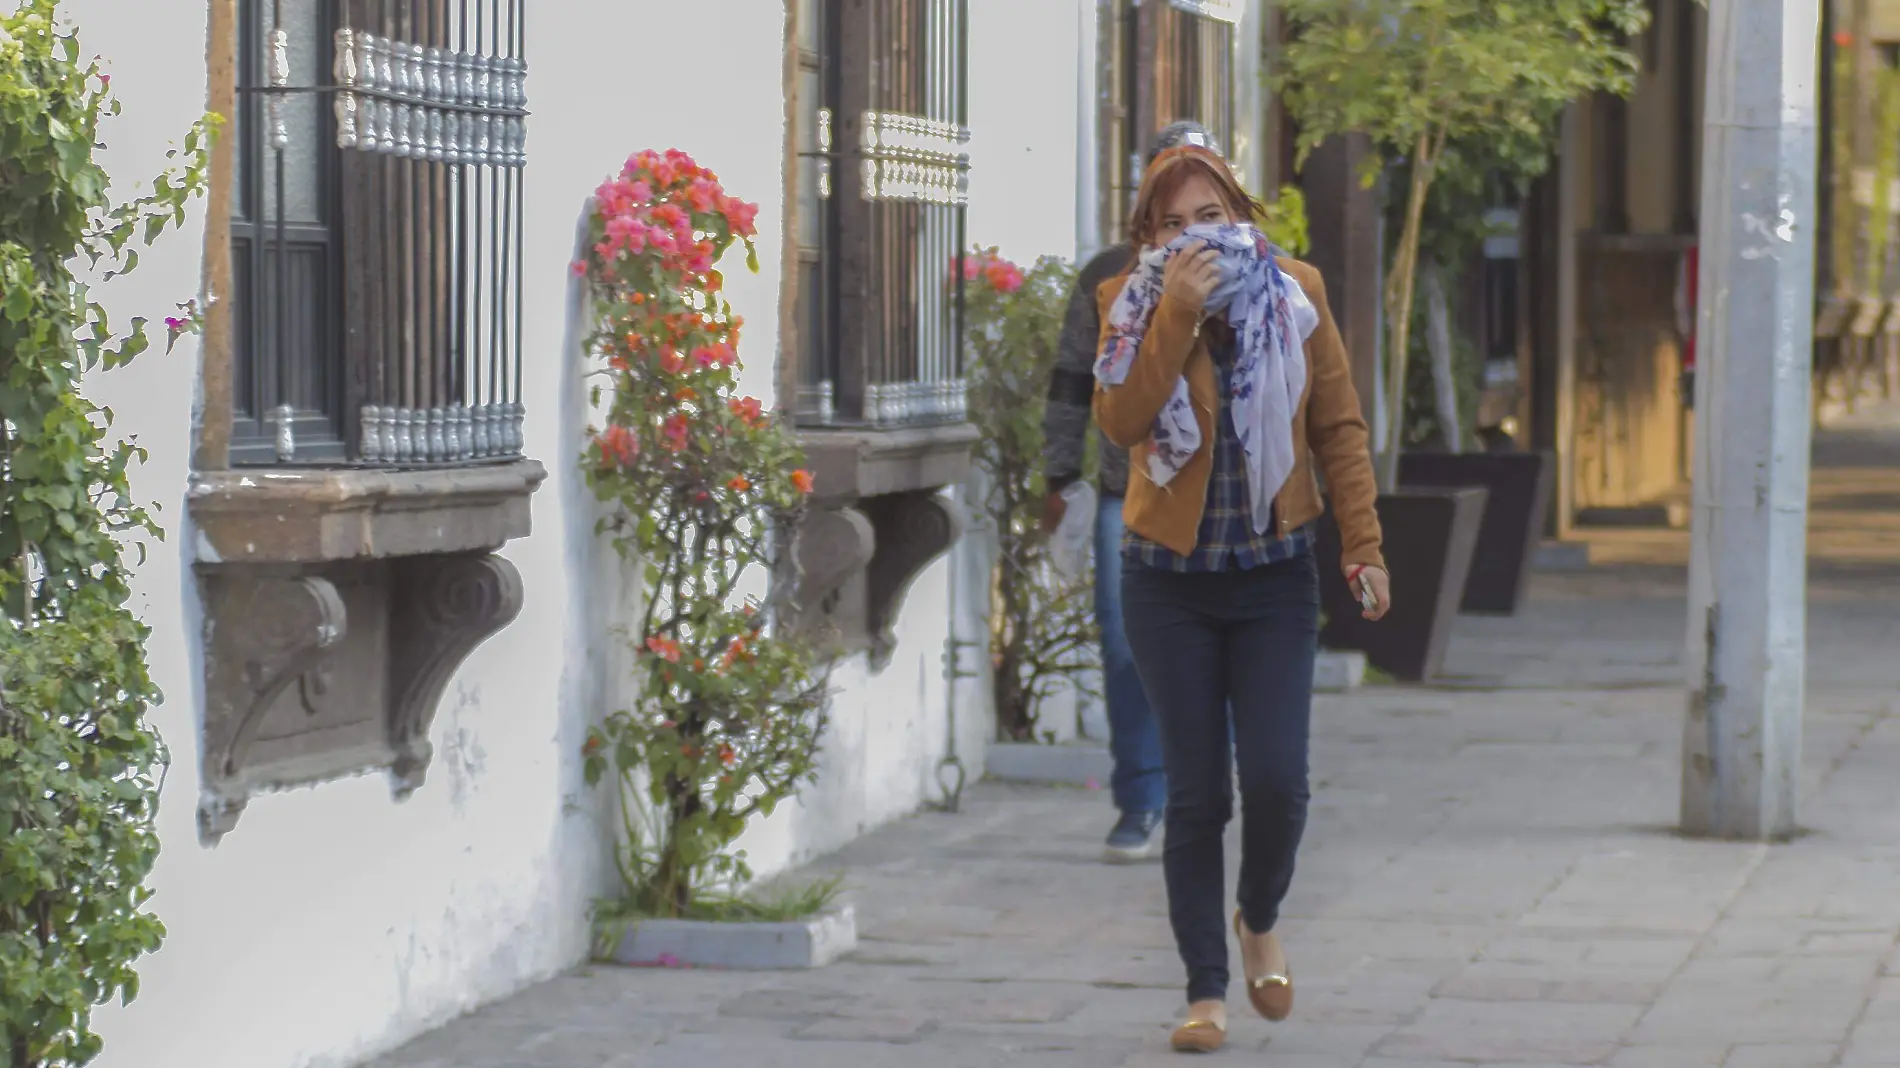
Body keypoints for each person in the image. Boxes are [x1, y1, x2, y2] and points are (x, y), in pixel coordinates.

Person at [1090, 145, 1390, 1051]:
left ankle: (1257, 914)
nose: (1193, 237)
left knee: (1276, 782)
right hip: (1166, 584)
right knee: (1197, 796)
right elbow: (1122, 421)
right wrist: (1175, 312)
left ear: (1241, 214)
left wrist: (1365, 546)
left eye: (1208, 216)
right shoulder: (1127, 305)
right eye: (1172, 224)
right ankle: (1206, 992)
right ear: (1149, 236)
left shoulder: (1295, 292)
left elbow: (1336, 424)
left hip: (1272, 579)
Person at [1041, 120, 1225, 863]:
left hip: (1225, 494)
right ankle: (1140, 796)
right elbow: (1069, 380)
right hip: (1132, 488)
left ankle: (1205, 786)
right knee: (1127, 646)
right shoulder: (1107, 275)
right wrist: (1059, 475)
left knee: (1221, 648)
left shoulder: (1249, 271)